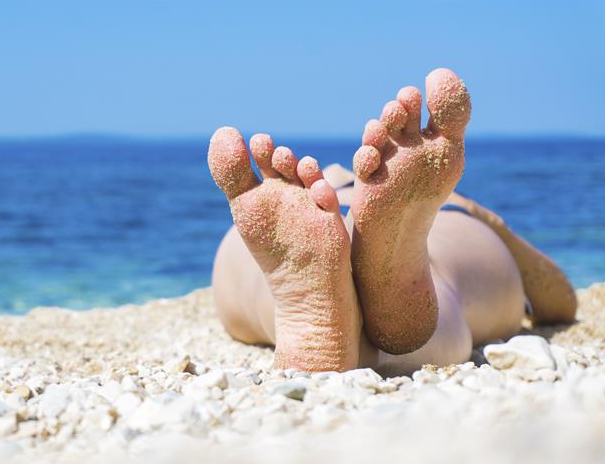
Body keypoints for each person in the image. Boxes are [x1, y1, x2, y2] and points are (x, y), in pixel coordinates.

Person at [207, 68, 577, 374]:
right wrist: (488, 221)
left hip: (295, 216)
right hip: (441, 219)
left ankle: (318, 323)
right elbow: (557, 301)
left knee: (251, 281)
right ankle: (393, 300)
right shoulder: (455, 203)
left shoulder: (294, 198)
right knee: (448, 273)